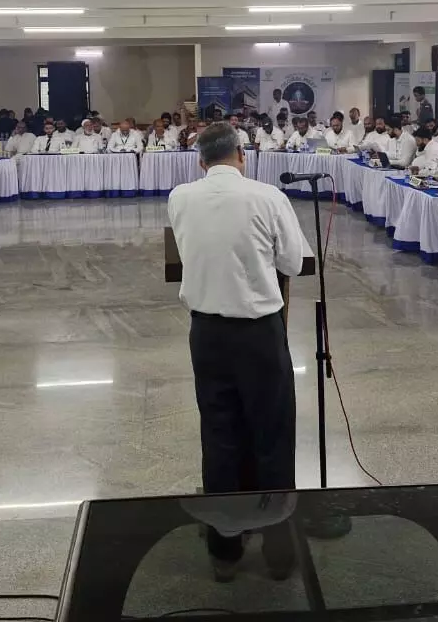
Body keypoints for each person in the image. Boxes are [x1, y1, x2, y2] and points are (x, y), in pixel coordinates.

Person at [167, 123, 306, 577]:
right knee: (271, 434)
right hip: (258, 333)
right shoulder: (268, 197)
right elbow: (292, 263)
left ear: (200, 161)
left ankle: (224, 551)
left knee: (220, 434)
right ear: (242, 155)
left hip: (206, 334)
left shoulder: (180, 197)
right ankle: (278, 552)